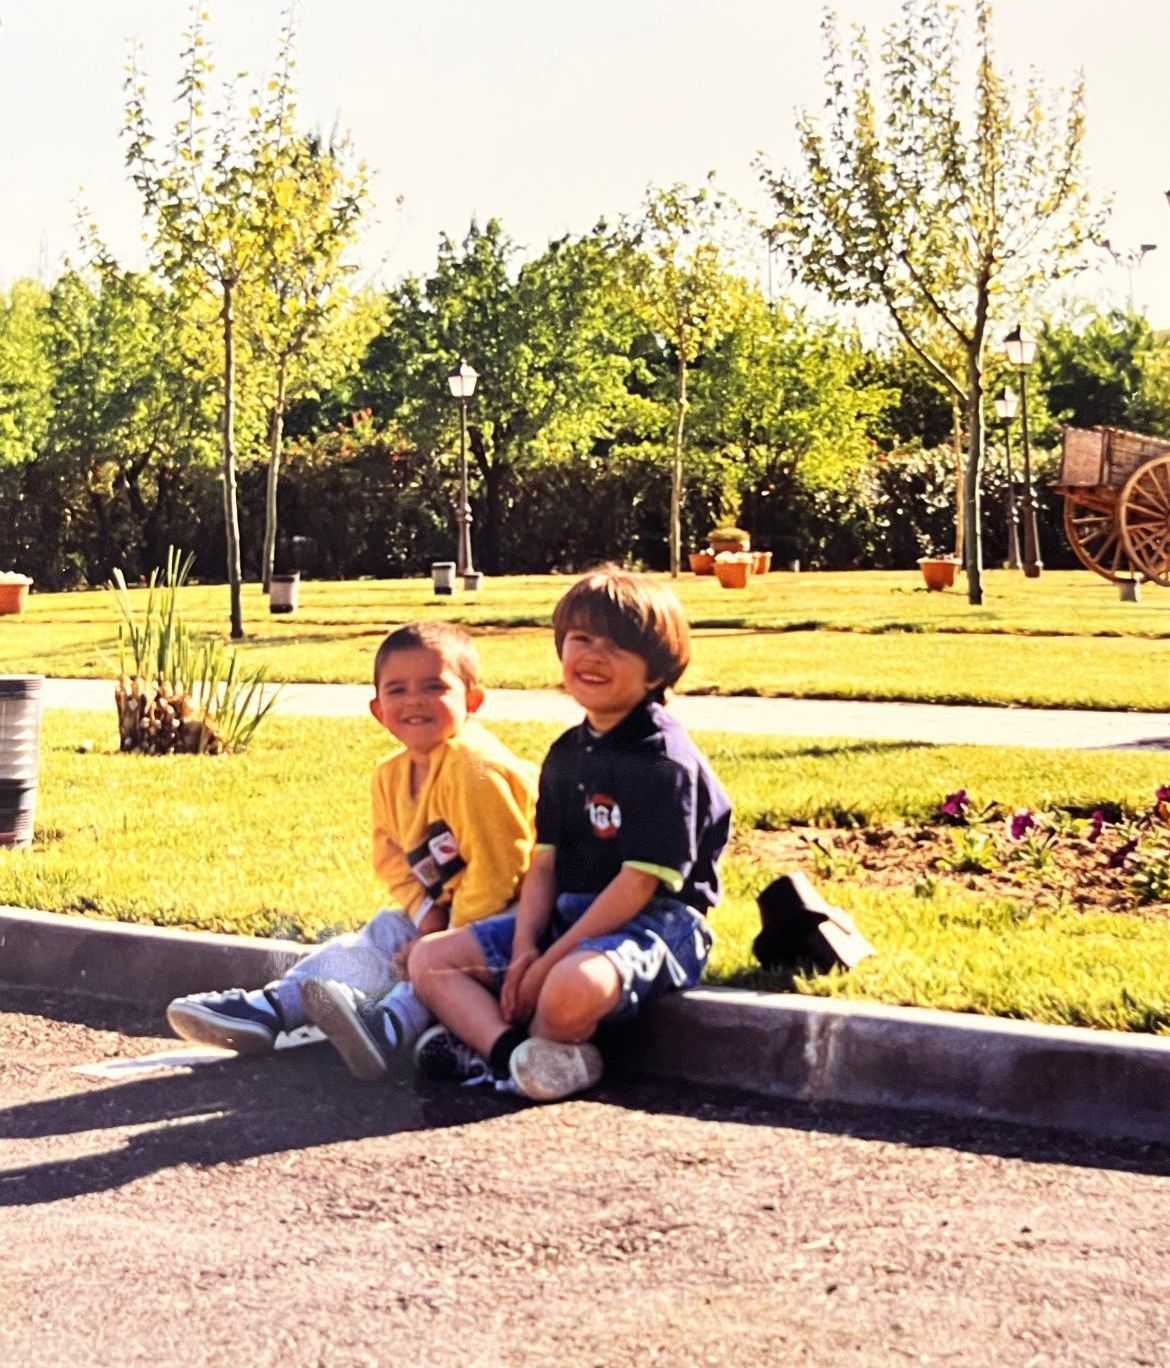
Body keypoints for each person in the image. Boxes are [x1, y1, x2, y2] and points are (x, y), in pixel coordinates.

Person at [406, 566, 731, 1103]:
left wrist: (548, 963)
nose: (594, 656)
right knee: (429, 958)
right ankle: (513, 1056)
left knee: (568, 987)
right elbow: (544, 865)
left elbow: (637, 886)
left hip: (654, 923)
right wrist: (525, 948)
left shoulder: (662, 761)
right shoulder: (566, 753)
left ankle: (509, 1049)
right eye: (581, 639)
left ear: (656, 671)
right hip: (568, 917)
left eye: (617, 646)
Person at [165, 621, 537, 1080]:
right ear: (378, 710)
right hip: (456, 915)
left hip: (520, 919)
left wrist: (444, 939)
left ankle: (388, 1026)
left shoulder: (476, 769)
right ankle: (276, 1006)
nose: (414, 701)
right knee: (385, 930)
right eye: (397, 690)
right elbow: (391, 858)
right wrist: (427, 916)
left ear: (473, 700)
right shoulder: (389, 776)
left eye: (434, 687)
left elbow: (501, 872)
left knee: (428, 961)